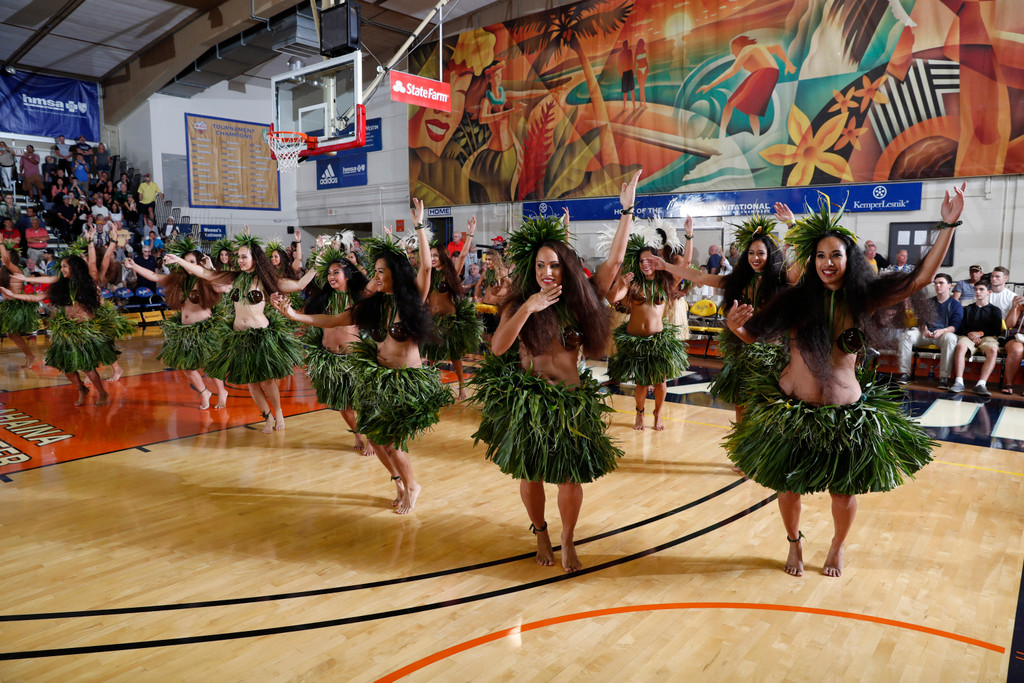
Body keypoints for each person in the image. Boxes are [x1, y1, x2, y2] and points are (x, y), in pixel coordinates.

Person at [724, 184, 965, 578]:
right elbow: (755, 335)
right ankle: (794, 542)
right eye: (819, 255)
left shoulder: (864, 298)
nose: (827, 262)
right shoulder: (795, 299)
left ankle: (836, 547)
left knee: (844, 491)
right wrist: (736, 329)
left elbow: (920, 278)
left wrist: (949, 224)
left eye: (835, 254)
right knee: (788, 488)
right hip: (792, 412)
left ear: (848, 259)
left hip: (844, 414)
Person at [469, 170, 641, 573]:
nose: (548, 272)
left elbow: (615, 260)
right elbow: (497, 348)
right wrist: (530, 307)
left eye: (555, 265)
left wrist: (627, 209)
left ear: (566, 268)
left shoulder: (580, 301)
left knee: (569, 478)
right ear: (533, 269)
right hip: (529, 403)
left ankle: (567, 537)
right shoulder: (518, 304)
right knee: (529, 474)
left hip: (570, 403)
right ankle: (541, 531)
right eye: (541, 265)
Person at [272, 202, 453, 514]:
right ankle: (398, 480)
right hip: (377, 377)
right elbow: (332, 320)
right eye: (376, 271)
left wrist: (420, 226)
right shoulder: (375, 305)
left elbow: (424, 267)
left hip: (402, 382)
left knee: (392, 442)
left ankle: (412, 485)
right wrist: (292, 315)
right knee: (377, 439)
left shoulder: (412, 301)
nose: (377, 276)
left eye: (382, 271)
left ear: (395, 273)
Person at [168, 232, 312, 433]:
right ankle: (267, 417)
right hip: (240, 338)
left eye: (244, 257)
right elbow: (205, 274)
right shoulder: (234, 278)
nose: (240, 260)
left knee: (267, 381)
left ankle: (278, 413)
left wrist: (317, 266)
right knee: (251, 383)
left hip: (260, 337)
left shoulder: (264, 279)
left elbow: (299, 285)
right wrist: (179, 261)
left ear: (255, 259)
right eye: (239, 257)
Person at [2, 248, 118, 406]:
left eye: (65, 266)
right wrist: (15, 295)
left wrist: (90, 244)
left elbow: (92, 264)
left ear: (74, 268)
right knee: (67, 367)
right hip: (67, 332)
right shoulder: (61, 287)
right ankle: (81, 389)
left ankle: (102, 393)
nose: (62, 269)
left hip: (84, 332)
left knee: (86, 366)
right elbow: (36, 297)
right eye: (61, 266)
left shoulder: (87, 284)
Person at [606, 220, 691, 431]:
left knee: (661, 383)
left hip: (658, 341)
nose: (645, 263)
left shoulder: (666, 282)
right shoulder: (633, 283)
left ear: (657, 261)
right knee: (642, 384)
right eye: (642, 260)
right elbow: (612, 298)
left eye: (649, 260)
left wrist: (689, 236)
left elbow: (686, 267)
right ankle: (640, 413)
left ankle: (658, 414)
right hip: (636, 341)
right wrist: (620, 283)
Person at [292, 237, 374, 455]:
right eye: (328, 273)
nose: (331, 277)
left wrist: (346, 258)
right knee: (342, 405)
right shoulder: (323, 300)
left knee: (363, 402)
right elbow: (306, 316)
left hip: (354, 360)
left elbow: (369, 284)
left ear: (347, 275)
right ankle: (357, 433)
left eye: (335, 272)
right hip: (331, 359)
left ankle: (372, 438)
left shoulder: (359, 298)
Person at [126, 237, 229, 409]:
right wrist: (134, 266)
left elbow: (220, 282)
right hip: (185, 330)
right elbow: (155, 276)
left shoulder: (204, 279)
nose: (187, 265)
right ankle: (205, 392)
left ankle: (222, 392)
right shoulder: (179, 280)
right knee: (187, 366)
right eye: (185, 262)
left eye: (191, 262)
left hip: (204, 328)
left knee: (210, 365)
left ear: (198, 263)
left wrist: (210, 268)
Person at [423, 216, 482, 400]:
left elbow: (463, 255)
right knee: (431, 357)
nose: (432, 258)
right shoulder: (428, 275)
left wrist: (470, 233)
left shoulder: (450, 273)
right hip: (433, 321)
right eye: (430, 255)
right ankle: (433, 387)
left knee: (454, 356)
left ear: (442, 255)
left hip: (449, 321)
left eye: (435, 255)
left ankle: (462, 387)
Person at [895, 273, 963, 388]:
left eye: (941, 283)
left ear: (949, 286)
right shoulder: (928, 302)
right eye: (935, 283)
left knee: (951, 338)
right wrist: (924, 330)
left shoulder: (956, 305)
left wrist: (942, 331)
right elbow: (921, 320)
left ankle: (943, 377)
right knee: (906, 335)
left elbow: (955, 326)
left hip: (943, 335)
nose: (937, 286)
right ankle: (905, 373)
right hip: (925, 334)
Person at [947, 280, 1003, 396]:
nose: (977, 292)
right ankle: (958, 382)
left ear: (989, 292)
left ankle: (981, 384)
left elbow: (997, 330)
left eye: (981, 289)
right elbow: (960, 327)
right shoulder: (967, 309)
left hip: (987, 337)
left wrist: (980, 333)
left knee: (993, 350)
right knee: (961, 346)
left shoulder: (995, 310)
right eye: (976, 289)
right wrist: (971, 334)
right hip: (968, 336)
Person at [0, 242, 41, 367]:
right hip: (7, 306)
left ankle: (30, 356)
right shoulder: (3, 272)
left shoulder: (17, 271)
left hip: (16, 307)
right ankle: (30, 356)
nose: (2, 258)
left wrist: (1, 242)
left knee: (12, 334)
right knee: (12, 334)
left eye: (4, 256)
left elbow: (6, 261)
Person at [1001, 295, 1024, 394]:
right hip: (1017, 337)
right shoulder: (1020, 306)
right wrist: (1014, 307)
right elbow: (1009, 325)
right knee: (1016, 349)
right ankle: (1008, 383)